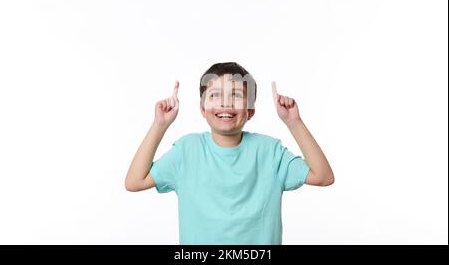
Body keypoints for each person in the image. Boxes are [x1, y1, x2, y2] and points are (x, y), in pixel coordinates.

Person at [125, 62, 334, 244]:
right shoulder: (186, 151)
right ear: (202, 108)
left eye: (236, 96)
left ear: (250, 110)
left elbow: (323, 176)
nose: (225, 103)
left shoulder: (270, 152)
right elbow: (135, 181)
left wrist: (294, 122)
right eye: (215, 95)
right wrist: (159, 125)